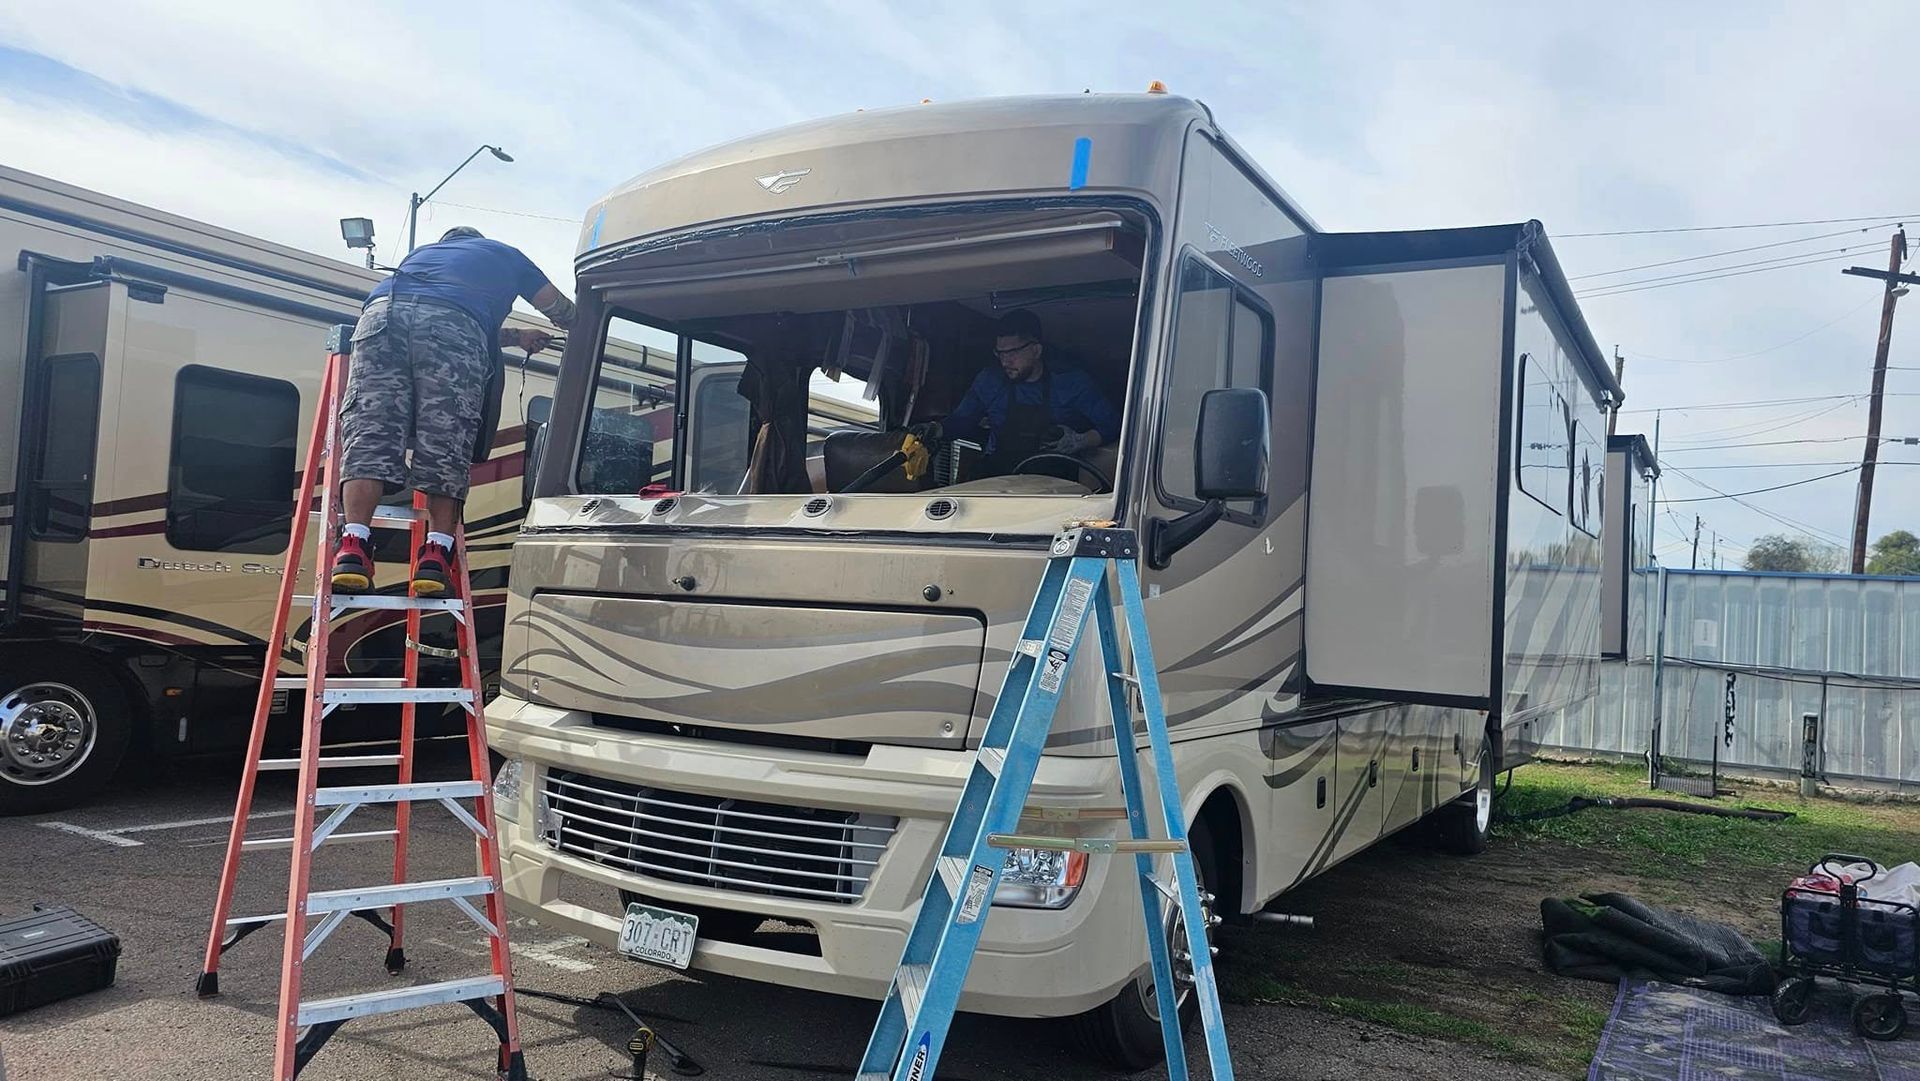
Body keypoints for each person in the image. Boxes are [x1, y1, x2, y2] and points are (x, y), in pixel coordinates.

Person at [332, 226, 574, 596]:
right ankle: (435, 555)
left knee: (371, 433)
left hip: (380, 318)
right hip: (453, 327)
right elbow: (555, 306)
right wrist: (585, 319)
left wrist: (516, 336)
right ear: (478, 240)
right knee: (445, 439)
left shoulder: (420, 257)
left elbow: (429, 313)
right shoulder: (504, 254)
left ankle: (354, 544)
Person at [918, 309, 1121, 479]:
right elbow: (963, 420)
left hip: (1053, 482)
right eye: (1000, 353)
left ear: (1036, 350)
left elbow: (1113, 425)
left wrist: (1080, 440)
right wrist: (934, 429)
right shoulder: (989, 381)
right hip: (997, 478)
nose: (1005, 361)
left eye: (1013, 353)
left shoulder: (1071, 383)